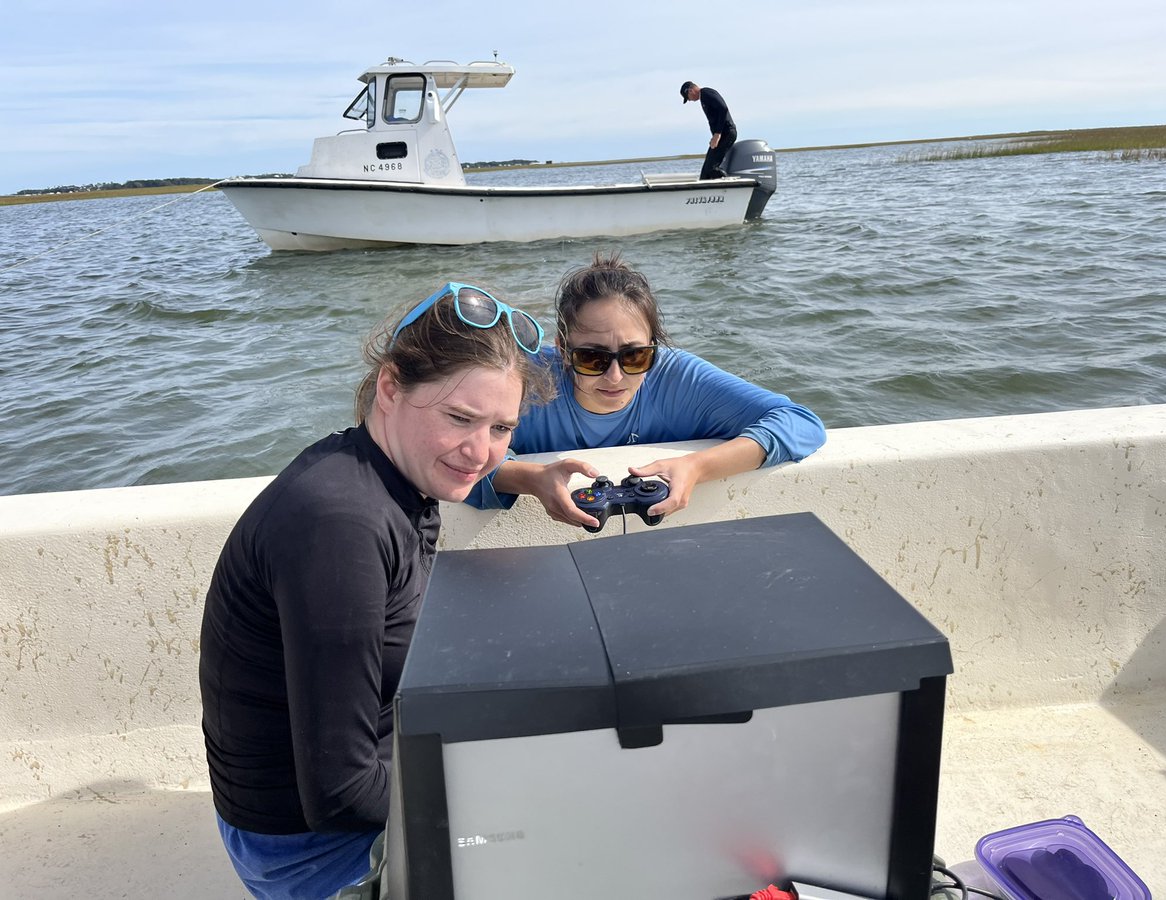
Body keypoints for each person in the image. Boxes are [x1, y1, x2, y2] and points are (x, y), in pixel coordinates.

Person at [199, 283, 551, 899]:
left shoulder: (389, 477)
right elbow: (338, 793)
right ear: (390, 388)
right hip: (308, 853)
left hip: (351, 786)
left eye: (502, 427)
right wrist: (499, 806)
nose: (480, 452)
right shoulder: (340, 525)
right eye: (459, 418)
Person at [467, 253, 825, 526]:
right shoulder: (525, 378)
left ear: (655, 347)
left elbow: (799, 422)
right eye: (592, 358)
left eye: (635, 356)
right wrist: (528, 479)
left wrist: (698, 466)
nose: (615, 377)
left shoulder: (679, 378)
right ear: (562, 349)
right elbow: (452, 449)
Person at [681, 80, 737, 179]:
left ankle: (730, 186)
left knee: (712, 168)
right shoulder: (703, 98)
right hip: (720, 136)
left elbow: (723, 109)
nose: (689, 100)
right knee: (706, 170)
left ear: (690, 91)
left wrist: (717, 134)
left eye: (687, 98)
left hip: (726, 133)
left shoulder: (707, 93)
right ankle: (702, 191)